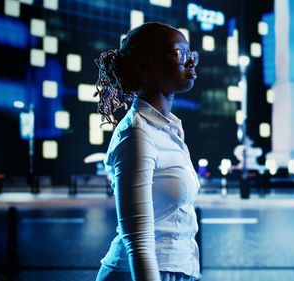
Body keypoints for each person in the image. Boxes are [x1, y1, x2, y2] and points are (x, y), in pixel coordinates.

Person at [93, 22, 200, 281]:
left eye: (192, 55)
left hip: (175, 271)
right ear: (146, 65)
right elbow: (138, 242)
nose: (191, 63)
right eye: (180, 54)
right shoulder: (137, 134)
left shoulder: (170, 129)